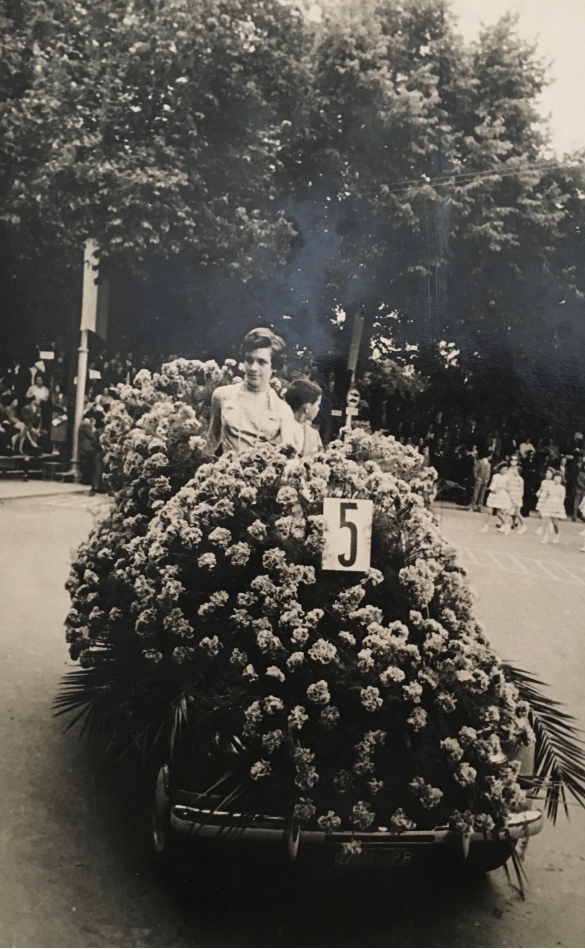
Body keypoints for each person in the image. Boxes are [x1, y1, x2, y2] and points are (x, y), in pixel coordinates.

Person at [207, 328, 295, 455]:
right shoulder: (222, 395)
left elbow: (289, 457)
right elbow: (211, 443)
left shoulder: (283, 410)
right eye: (249, 360)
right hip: (226, 466)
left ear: (274, 366)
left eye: (262, 362)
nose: (253, 368)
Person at [284, 379, 323, 457]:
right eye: (317, 405)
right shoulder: (278, 428)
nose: (318, 409)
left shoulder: (314, 434)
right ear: (307, 407)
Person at [480, 462, 512, 534]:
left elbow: (508, 488)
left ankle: (506, 525)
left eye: (506, 469)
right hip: (494, 495)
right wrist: (493, 489)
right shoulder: (495, 476)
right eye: (503, 469)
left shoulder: (507, 478)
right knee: (489, 512)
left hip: (502, 495)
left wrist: (504, 488)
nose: (504, 471)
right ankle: (485, 527)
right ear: (499, 469)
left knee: (499, 514)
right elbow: (492, 485)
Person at [539, 470, 566, 545]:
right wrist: (543, 506)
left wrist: (559, 508)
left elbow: (562, 499)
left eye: (559, 478)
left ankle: (557, 535)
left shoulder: (562, 488)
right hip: (548, 504)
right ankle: (546, 537)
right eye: (555, 477)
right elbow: (546, 496)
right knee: (547, 522)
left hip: (557, 506)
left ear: (561, 479)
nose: (557, 479)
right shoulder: (549, 486)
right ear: (553, 478)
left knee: (555, 523)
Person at [505, 455, 527, 532]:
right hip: (511, 496)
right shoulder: (512, 478)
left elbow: (521, 491)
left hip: (517, 498)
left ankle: (523, 525)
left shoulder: (520, 479)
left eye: (515, 470)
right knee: (508, 511)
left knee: (517, 513)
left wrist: (518, 499)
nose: (513, 471)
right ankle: (505, 525)